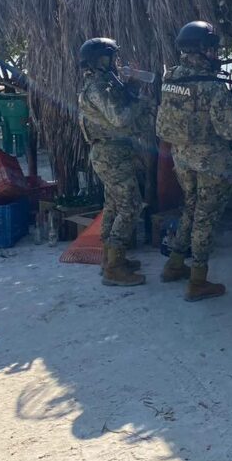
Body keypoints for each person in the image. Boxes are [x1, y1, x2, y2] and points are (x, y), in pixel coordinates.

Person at [156, 21, 232, 300]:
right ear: (203, 50)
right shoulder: (213, 87)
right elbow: (229, 130)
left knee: (191, 208)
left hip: (182, 157)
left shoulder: (172, 78)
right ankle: (198, 280)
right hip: (212, 162)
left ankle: (175, 264)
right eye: (212, 49)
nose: (215, 54)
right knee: (205, 217)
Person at [77, 38, 155, 287]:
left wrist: (130, 88)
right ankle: (114, 266)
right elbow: (120, 118)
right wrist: (140, 102)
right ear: (101, 59)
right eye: (112, 57)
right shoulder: (98, 87)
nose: (116, 62)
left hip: (114, 152)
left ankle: (110, 259)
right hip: (110, 154)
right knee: (131, 205)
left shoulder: (106, 83)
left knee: (113, 206)